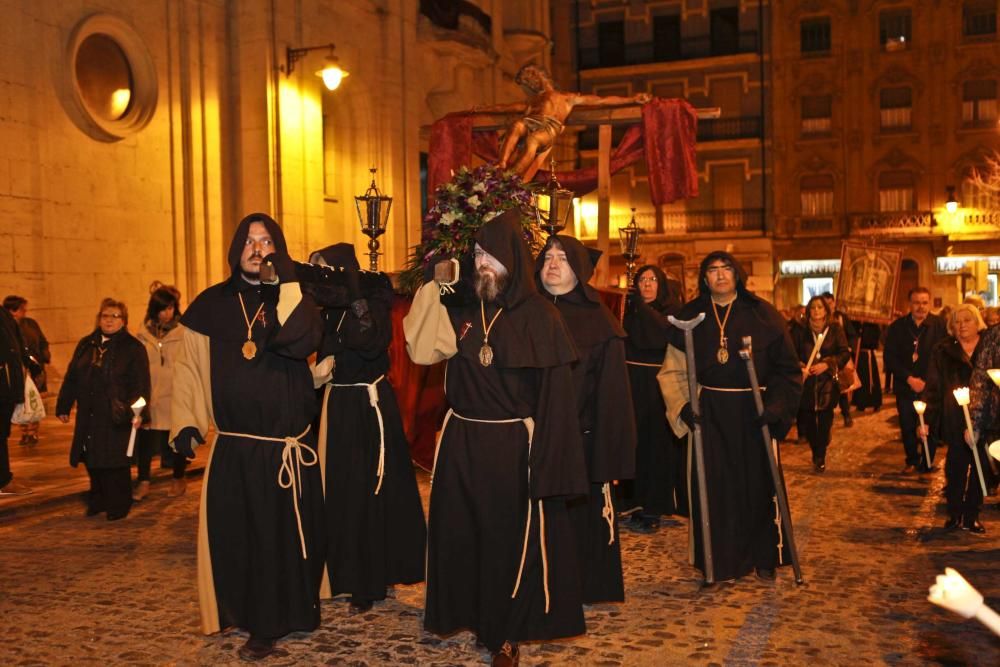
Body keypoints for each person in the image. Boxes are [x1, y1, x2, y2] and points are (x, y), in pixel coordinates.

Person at [404, 210, 588, 666]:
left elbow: (557, 400)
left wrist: (550, 462)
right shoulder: (462, 308)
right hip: (463, 441)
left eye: (492, 256)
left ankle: (506, 634)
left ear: (512, 259)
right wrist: (433, 285)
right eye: (478, 255)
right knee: (462, 535)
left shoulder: (539, 316)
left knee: (509, 541)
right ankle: (468, 613)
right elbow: (422, 351)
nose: (483, 264)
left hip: (513, 447)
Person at [169, 213, 325, 661]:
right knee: (246, 538)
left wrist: (285, 283)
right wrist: (185, 423)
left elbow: (302, 340)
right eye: (250, 242)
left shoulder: (294, 298)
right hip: (236, 447)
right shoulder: (210, 305)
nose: (258, 249)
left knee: (286, 538)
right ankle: (258, 622)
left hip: (286, 448)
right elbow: (190, 369)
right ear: (236, 248)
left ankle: (290, 612)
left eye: (267, 241)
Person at [657, 251, 802, 583]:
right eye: (712, 270)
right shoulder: (690, 316)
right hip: (710, 413)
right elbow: (672, 371)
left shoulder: (764, 315)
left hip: (755, 413)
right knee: (714, 488)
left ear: (737, 275)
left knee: (758, 485)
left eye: (726, 269)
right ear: (704, 278)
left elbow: (787, 370)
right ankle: (716, 561)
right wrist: (683, 408)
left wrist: (776, 409)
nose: (720, 275)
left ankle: (763, 556)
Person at [308, 243, 426, 614]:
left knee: (369, 492)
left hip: (368, 407)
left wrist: (354, 293)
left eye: (327, 270)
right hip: (337, 406)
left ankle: (370, 577)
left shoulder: (371, 303)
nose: (322, 278)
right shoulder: (326, 313)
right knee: (340, 493)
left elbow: (369, 341)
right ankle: (342, 571)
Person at [534, 234, 636, 603]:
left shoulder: (599, 321)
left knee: (579, 518)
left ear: (579, 270)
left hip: (581, 439)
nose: (553, 263)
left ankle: (579, 587)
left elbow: (612, 395)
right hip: (531, 436)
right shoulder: (525, 312)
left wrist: (608, 454)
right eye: (547, 257)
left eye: (562, 257)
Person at [56, 299, 150, 520]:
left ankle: (118, 505)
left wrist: (137, 412)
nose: (109, 320)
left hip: (117, 414)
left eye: (114, 316)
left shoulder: (133, 348)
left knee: (115, 462)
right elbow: (72, 376)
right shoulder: (86, 344)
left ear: (123, 321)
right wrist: (64, 404)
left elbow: (141, 385)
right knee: (92, 459)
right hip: (89, 412)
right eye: (105, 316)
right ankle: (98, 501)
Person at [475, 64, 650, 181]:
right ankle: (502, 162)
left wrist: (632, 99)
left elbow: (601, 100)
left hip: (548, 127)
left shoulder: (567, 98)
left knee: (533, 141)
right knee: (517, 125)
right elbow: (506, 108)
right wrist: (482, 109)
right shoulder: (534, 100)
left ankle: (512, 178)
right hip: (530, 121)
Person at [619, 264, 685, 532]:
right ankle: (632, 503)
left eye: (652, 280)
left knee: (656, 448)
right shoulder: (629, 311)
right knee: (632, 446)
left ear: (661, 285)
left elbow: (661, 334)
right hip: (631, 385)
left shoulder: (672, 312)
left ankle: (653, 507)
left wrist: (641, 308)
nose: (646, 284)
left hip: (659, 387)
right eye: (642, 280)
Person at [921, 304, 988, 533]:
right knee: (956, 467)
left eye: (967, 320)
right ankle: (954, 513)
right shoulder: (943, 350)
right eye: (957, 321)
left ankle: (972, 515)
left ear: (977, 322)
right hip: (955, 415)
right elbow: (934, 386)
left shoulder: (990, 348)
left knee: (981, 467)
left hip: (985, 416)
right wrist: (928, 417)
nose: (962, 325)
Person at [133, 284, 188, 500]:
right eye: (163, 308)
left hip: (175, 394)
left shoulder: (183, 332)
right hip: (150, 395)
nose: (168, 313)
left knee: (177, 439)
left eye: (171, 308)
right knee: (145, 441)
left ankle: (178, 477)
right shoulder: (143, 334)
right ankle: (143, 481)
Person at [883, 287, 947, 473]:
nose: (921, 307)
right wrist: (909, 378)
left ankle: (927, 461)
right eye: (917, 302)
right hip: (906, 385)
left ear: (929, 303)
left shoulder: (940, 326)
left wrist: (929, 381)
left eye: (924, 302)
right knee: (908, 424)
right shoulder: (897, 327)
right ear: (909, 304)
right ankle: (911, 460)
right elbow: (890, 357)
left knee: (930, 424)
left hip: (931, 386)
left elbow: (943, 356)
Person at [791, 296, 850, 473]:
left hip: (827, 383)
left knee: (825, 422)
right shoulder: (800, 330)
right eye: (813, 307)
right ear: (808, 311)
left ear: (826, 311)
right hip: (807, 383)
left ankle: (820, 456)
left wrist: (827, 364)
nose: (816, 311)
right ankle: (816, 451)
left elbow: (844, 353)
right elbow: (791, 353)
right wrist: (800, 367)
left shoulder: (835, 329)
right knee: (809, 423)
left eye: (820, 307)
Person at [4, 296, 49, 446]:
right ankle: (25, 433)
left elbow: (42, 341)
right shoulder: (7, 326)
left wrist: (43, 356)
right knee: (21, 403)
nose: (25, 312)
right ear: (13, 311)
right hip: (18, 371)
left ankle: (33, 432)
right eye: (22, 309)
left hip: (33, 367)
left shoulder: (30, 324)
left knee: (34, 400)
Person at [0, 304, 32, 496]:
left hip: (5, 386)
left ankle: (4, 478)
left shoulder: (3, 314)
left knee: (1, 434)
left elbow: (15, 347)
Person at [822, 292, 857, 427]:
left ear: (834, 303)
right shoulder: (820, 319)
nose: (828, 306)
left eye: (830, 303)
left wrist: (849, 348)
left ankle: (846, 415)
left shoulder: (841, 318)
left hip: (839, 358)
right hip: (825, 360)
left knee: (841, 387)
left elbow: (852, 335)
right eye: (826, 303)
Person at [852, 321, 884, 413]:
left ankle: (875, 402)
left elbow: (874, 339)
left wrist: (864, 334)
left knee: (870, 380)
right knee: (860, 379)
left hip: (868, 354)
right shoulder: (856, 323)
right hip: (858, 354)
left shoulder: (873, 325)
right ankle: (860, 402)